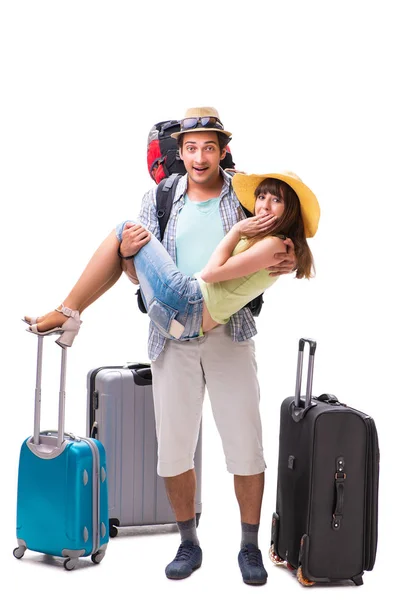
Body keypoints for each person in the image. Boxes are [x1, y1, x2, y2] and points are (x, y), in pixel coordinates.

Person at [24, 108, 310, 585]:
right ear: (180, 150)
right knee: (174, 451)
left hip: (228, 332)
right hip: (170, 333)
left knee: (245, 448)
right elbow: (138, 272)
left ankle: (248, 546)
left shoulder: (244, 198)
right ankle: (188, 542)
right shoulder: (159, 197)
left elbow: (259, 255)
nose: (200, 157)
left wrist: (282, 247)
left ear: (223, 151)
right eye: (191, 147)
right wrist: (137, 251)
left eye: (209, 147)